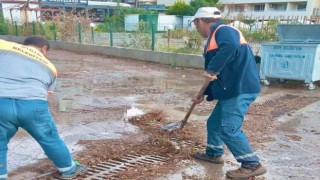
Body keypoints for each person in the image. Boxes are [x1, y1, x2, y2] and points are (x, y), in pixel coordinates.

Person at [190, 7, 267, 179]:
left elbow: (229, 48)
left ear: (201, 21)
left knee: (228, 129)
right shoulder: (216, 36)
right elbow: (219, 73)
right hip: (231, 89)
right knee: (214, 124)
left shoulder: (224, 30)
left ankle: (252, 164)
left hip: (240, 89)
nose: (196, 27)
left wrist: (212, 68)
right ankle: (214, 153)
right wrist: (204, 93)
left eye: (196, 23)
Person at [0, 36, 87, 179]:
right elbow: (46, 96)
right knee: (49, 138)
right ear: (44, 49)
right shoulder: (51, 67)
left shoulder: (4, 45)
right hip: (33, 104)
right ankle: (69, 169)